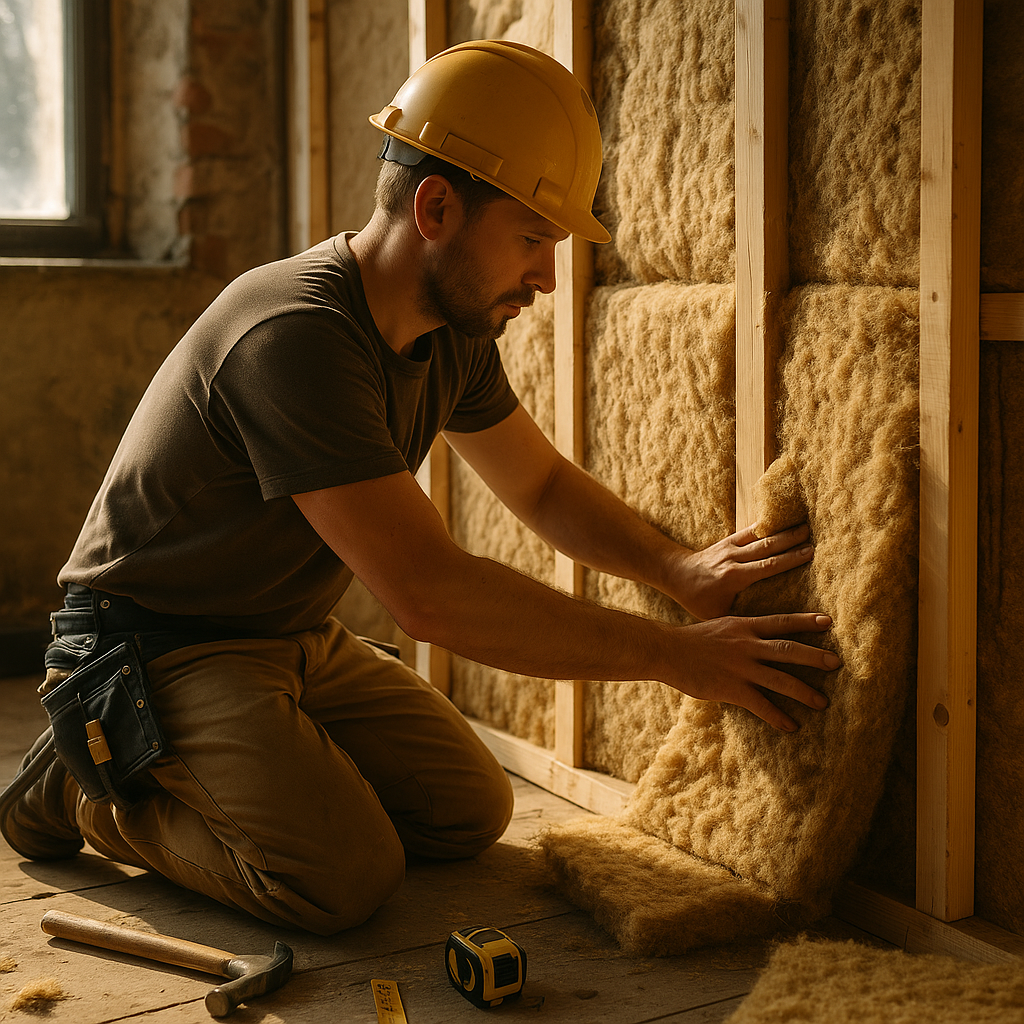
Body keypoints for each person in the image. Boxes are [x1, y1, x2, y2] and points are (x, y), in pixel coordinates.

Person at [0, 40, 838, 935]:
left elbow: (544, 487)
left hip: (285, 636)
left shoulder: (451, 335)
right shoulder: (294, 336)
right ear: (436, 207)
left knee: (466, 812)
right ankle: (90, 784)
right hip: (154, 646)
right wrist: (683, 657)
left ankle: (226, 763)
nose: (548, 278)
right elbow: (429, 595)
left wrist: (680, 572)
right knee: (343, 879)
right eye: (530, 239)